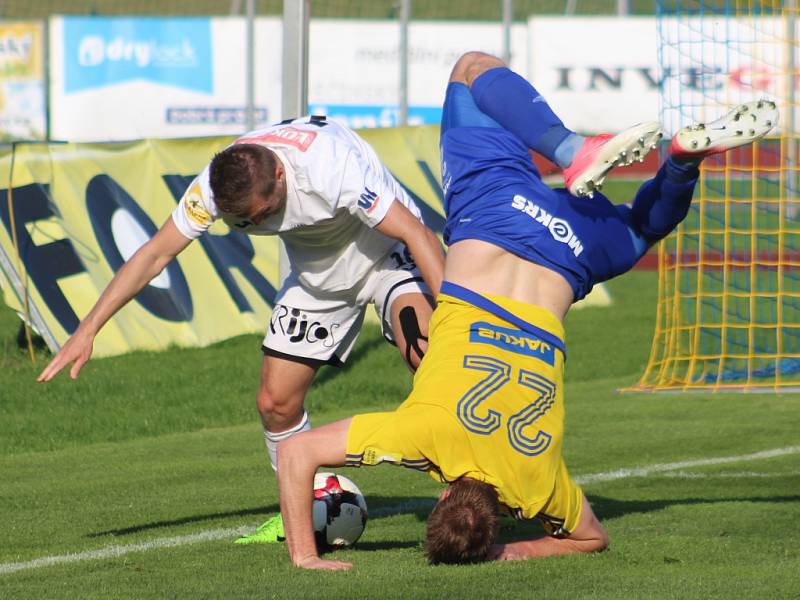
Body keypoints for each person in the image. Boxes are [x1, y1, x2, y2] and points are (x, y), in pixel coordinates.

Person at [275, 52, 779, 570]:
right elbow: (297, 454)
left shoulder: (537, 487)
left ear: (497, 521)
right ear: (444, 499)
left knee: (640, 230)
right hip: (495, 221)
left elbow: (589, 539)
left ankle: (679, 164)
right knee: (471, 69)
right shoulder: (420, 437)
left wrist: (506, 551)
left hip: (569, 255)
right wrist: (304, 558)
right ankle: (570, 148)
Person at [36, 115, 446, 543]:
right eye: (242, 221)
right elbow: (156, 254)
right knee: (275, 403)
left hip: (387, 257)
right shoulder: (216, 186)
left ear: (282, 175)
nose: (252, 224)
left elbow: (418, 235)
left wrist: (453, 315)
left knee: (428, 359)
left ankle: (472, 490)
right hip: (318, 281)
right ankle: (301, 515)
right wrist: (88, 329)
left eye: (261, 215)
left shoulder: (332, 166)